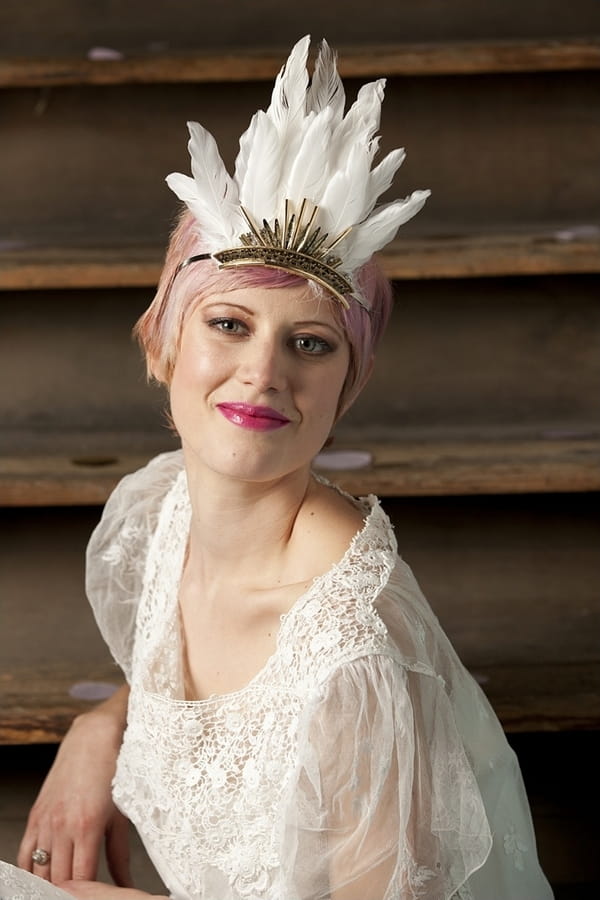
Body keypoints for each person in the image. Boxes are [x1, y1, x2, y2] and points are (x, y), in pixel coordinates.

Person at [4, 36, 553, 900]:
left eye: (309, 342)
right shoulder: (159, 513)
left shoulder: (353, 646)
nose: (263, 373)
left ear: (347, 388)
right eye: (229, 324)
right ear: (162, 342)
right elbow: (207, 720)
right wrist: (97, 729)